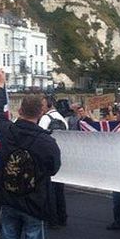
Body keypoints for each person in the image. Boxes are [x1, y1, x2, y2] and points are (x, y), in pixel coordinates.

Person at [0, 69, 62, 239]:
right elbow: (54, 168)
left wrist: (0, 86)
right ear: (41, 112)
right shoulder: (46, 141)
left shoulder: (7, 131)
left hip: (8, 197)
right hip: (33, 200)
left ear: (19, 110)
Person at [39, 95, 68, 228]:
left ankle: (52, 219)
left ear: (49, 105)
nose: (41, 107)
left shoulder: (45, 119)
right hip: (60, 156)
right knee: (59, 190)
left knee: (49, 190)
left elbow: (39, 137)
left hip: (47, 157)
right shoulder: (63, 119)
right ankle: (62, 217)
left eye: (43, 105)